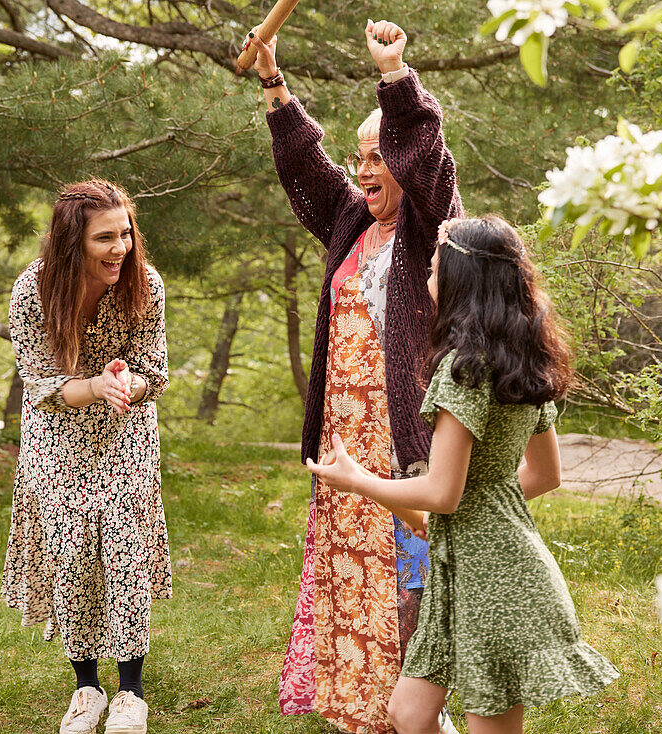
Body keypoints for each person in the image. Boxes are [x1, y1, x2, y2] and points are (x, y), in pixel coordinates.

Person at [307, 216, 620, 734]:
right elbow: (543, 476)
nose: (427, 273)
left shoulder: (464, 370)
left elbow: (442, 493)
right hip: (467, 569)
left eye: (434, 264)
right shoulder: (521, 359)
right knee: (409, 714)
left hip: (495, 582)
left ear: (459, 277)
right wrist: (471, 508)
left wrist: (357, 478)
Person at [241, 18, 462, 734]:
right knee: (350, 587)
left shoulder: (433, 227)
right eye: (359, 156)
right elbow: (305, 165)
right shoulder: (351, 223)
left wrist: (396, 75)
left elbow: (428, 157)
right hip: (343, 448)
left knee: (408, 593)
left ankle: (421, 717)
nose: (365, 169)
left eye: (379, 156)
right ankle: (363, 717)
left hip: (402, 448)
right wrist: (274, 81)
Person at [1, 179, 170, 734]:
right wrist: (95, 385)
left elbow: (155, 369)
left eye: (125, 233)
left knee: (123, 542)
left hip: (124, 430)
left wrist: (127, 384)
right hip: (57, 432)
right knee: (72, 549)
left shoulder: (144, 285)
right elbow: (44, 386)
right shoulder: (32, 293)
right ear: (73, 243)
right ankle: (85, 688)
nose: (120, 247)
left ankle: (131, 693)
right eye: (105, 238)